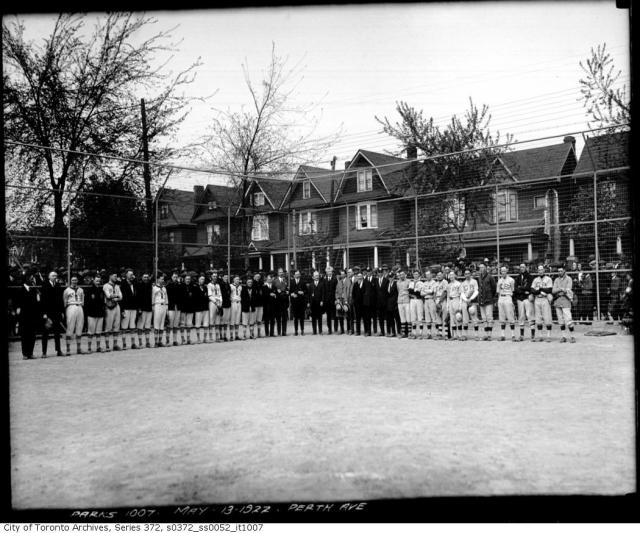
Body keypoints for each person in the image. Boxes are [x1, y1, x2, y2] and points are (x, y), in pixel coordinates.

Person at [16, 272, 42, 360]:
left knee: (32, 334)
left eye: (32, 278)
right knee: (24, 335)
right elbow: (17, 301)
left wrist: (38, 296)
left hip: (33, 315)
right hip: (24, 315)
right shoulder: (20, 289)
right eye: (30, 278)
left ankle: (30, 353)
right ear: (26, 279)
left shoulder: (34, 289)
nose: (32, 279)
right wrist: (18, 308)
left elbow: (37, 302)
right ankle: (25, 354)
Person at [41, 270, 65, 357]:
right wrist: (44, 313)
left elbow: (60, 300)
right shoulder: (45, 285)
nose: (55, 277)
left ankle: (58, 350)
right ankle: (44, 352)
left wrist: (62, 311)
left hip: (57, 312)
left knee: (57, 333)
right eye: (53, 276)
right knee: (45, 333)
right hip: (48, 313)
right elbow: (43, 300)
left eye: (56, 276)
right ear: (49, 277)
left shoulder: (58, 285)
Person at [530, 264, 553, 342]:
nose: (540, 271)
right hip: (537, 299)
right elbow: (532, 290)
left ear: (544, 270)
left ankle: (549, 336)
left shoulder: (548, 279)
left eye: (541, 269)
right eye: (539, 270)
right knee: (538, 318)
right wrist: (540, 290)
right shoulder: (535, 280)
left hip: (545, 299)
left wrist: (540, 289)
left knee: (547, 317)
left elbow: (549, 290)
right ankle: (540, 336)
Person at [553, 265, 576, 343]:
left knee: (568, 319)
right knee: (560, 320)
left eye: (561, 271)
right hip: (558, 301)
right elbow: (553, 290)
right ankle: (564, 336)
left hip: (566, 300)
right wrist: (561, 289)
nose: (560, 272)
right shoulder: (556, 279)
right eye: (558, 271)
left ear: (564, 271)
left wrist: (560, 290)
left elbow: (568, 289)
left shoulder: (569, 279)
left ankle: (572, 336)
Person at [514, 263, 535, 341]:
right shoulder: (518, 277)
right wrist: (523, 290)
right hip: (520, 299)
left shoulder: (530, 277)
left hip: (527, 298)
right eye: (521, 267)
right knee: (521, 316)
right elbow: (516, 288)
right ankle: (522, 335)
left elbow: (529, 287)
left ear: (526, 267)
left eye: (523, 267)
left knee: (530, 315)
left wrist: (521, 288)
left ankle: (533, 335)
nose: (522, 268)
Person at [85, 274, 106, 353]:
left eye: (99, 281)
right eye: (96, 280)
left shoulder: (101, 290)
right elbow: (87, 303)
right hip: (91, 314)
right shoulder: (89, 290)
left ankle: (98, 347)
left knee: (98, 332)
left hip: (100, 313)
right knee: (90, 332)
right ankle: (89, 348)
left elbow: (103, 302)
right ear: (93, 280)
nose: (98, 282)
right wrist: (88, 313)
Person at [103, 271, 123, 351]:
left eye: (116, 276)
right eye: (114, 276)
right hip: (109, 306)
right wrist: (116, 296)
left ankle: (115, 344)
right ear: (110, 276)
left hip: (116, 305)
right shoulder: (106, 286)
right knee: (108, 326)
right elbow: (108, 296)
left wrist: (115, 297)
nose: (116, 278)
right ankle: (107, 346)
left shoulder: (117, 286)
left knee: (116, 325)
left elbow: (121, 297)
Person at [495, 266, 516, 341]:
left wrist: (512, 301)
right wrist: (498, 300)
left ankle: (513, 335)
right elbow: (498, 291)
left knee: (510, 316)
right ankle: (502, 335)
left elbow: (513, 291)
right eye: (501, 271)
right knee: (502, 316)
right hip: (501, 297)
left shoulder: (511, 280)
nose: (503, 272)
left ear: (507, 271)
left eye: (504, 271)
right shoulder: (499, 281)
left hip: (508, 297)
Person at [477, 263, 497, 341]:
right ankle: (486, 334)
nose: (481, 269)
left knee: (489, 317)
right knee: (484, 318)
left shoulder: (490, 277)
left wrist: (491, 297)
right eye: (480, 267)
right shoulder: (479, 277)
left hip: (488, 300)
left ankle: (490, 335)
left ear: (486, 268)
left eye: (483, 267)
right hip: (481, 300)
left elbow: (494, 288)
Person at [120, 269, 138, 350]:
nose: (131, 276)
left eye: (132, 274)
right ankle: (124, 344)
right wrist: (122, 309)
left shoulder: (134, 283)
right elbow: (122, 298)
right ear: (126, 275)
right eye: (130, 274)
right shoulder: (123, 283)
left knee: (132, 326)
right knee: (124, 327)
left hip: (133, 307)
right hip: (126, 307)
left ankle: (133, 343)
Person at [135, 272, 153, 348]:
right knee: (140, 327)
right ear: (142, 278)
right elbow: (137, 297)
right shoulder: (139, 285)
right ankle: (140, 343)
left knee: (148, 326)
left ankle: (147, 342)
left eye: (147, 277)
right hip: (141, 309)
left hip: (149, 308)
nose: (146, 278)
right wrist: (138, 308)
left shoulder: (150, 285)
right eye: (144, 277)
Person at [460, 268, 479, 340]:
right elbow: (462, 293)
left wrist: (471, 299)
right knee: (465, 319)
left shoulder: (474, 281)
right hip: (465, 302)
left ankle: (476, 335)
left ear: (470, 274)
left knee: (474, 318)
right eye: (465, 274)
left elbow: (476, 291)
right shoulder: (463, 283)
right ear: (464, 275)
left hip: (472, 301)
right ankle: (464, 335)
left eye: (468, 273)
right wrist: (466, 299)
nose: (467, 275)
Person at [165, 271, 183, 346]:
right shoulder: (168, 285)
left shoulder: (179, 285)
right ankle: (167, 340)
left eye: (176, 277)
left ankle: (175, 340)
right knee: (169, 324)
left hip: (178, 307)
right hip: (171, 306)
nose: (175, 278)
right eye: (174, 277)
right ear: (171, 277)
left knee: (176, 324)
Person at [151, 275, 168, 347]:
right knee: (156, 323)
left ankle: (160, 341)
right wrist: (153, 306)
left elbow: (166, 298)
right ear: (157, 280)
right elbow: (152, 297)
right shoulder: (154, 288)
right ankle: (156, 342)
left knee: (162, 324)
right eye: (161, 279)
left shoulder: (164, 288)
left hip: (163, 306)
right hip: (157, 305)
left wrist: (167, 307)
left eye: (163, 279)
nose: (162, 280)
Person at [180, 274, 197, 344]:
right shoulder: (181, 286)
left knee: (189, 324)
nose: (188, 280)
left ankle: (188, 338)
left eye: (189, 279)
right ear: (184, 280)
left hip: (190, 308)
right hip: (183, 308)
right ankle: (182, 339)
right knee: (182, 324)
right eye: (187, 279)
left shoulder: (193, 287)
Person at [421, 270, 438, 339]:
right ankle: (429, 333)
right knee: (427, 317)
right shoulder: (424, 283)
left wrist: (425, 291)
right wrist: (427, 292)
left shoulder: (434, 282)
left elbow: (432, 291)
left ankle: (436, 333)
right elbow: (421, 293)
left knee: (433, 317)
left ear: (431, 275)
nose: (427, 276)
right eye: (426, 275)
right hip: (426, 300)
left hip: (431, 300)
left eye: (429, 275)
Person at [289, 270, 308, 335]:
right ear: (294, 275)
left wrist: (303, 292)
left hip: (301, 302)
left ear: (300, 275)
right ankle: (296, 331)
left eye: (298, 274)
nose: (297, 275)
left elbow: (306, 291)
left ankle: (302, 330)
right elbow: (290, 292)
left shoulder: (303, 282)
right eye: (296, 274)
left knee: (302, 317)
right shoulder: (291, 282)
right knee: (295, 317)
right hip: (294, 302)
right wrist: (292, 294)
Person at [446, 271, 463, 341]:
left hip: (456, 299)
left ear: (455, 276)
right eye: (450, 275)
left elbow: (461, 295)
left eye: (452, 275)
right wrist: (447, 305)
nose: (451, 276)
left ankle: (460, 335)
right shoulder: (448, 285)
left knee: (458, 317)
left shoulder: (458, 284)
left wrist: (460, 305)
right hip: (450, 300)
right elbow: (447, 296)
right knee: (452, 319)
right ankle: (454, 335)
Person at [408, 270, 425, 339]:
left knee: (420, 316)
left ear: (419, 275)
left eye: (417, 274)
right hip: (412, 300)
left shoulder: (421, 283)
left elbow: (419, 293)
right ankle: (414, 333)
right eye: (414, 274)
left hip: (419, 300)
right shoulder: (411, 282)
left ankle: (420, 333)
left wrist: (414, 291)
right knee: (413, 316)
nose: (415, 275)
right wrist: (415, 291)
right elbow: (409, 291)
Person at [308, 270, 326, 335]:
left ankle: (320, 331)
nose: (316, 277)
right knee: (313, 318)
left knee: (320, 318)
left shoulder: (321, 284)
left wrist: (322, 301)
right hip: (313, 304)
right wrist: (308, 302)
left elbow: (323, 293)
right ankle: (314, 331)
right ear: (313, 277)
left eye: (317, 275)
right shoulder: (311, 285)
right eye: (315, 275)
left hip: (319, 303)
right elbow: (309, 295)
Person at [207, 271, 223, 342]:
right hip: (212, 303)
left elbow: (220, 294)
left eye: (216, 276)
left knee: (217, 319)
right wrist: (216, 302)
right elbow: (210, 295)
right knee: (211, 319)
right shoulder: (209, 285)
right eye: (213, 276)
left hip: (218, 303)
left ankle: (217, 337)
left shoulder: (218, 285)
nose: (215, 278)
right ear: (211, 277)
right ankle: (210, 337)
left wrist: (220, 302)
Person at [373, 266, 389, 336]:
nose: (379, 274)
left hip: (385, 302)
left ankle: (388, 331)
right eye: (378, 272)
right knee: (380, 318)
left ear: (383, 273)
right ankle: (382, 331)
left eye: (381, 272)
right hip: (378, 303)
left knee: (387, 318)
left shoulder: (386, 280)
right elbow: (374, 292)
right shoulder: (375, 281)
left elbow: (388, 292)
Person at [194, 275, 210, 343]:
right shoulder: (195, 288)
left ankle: (205, 338)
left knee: (206, 324)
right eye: (201, 279)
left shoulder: (206, 288)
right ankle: (198, 339)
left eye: (203, 279)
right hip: (198, 308)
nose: (202, 280)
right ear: (198, 280)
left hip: (205, 308)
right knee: (198, 324)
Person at [274, 268, 290, 336]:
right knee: (278, 318)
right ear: (278, 273)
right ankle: (279, 331)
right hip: (277, 302)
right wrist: (278, 292)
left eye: (282, 272)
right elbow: (274, 290)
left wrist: (287, 292)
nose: (281, 273)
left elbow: (288, 290)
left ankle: (284, 331)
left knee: (284, 318)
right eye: (280, 272)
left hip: (284, 302)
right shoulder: (275, 281)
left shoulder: (285, 280)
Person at [395, 270, 411, 339]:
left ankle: (409, 333)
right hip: (400, 301)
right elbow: (398, 291)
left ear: (405, 274)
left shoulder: (409, 281)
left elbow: (409, 291)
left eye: (403, 274)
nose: (401, 276)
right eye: (400, 274)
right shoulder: (398, 282)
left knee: (408, 316)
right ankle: (404, 333)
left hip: (406, 300)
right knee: (402, 317)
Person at [323, 266, 338, 334]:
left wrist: (336, 299)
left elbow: (336, 290)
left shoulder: (335, 279)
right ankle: (329, 329)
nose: (329, 273)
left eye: (330, 271)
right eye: (328, 272)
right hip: (327, 300)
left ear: (332, 272)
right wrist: (324, 300)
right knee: (328, 315)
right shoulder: (324, 280)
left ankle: (335, 328)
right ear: (326, 273)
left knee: (335, 315)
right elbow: (324, 291)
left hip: (333, 300)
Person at [434, 271, 448, 340]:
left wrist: (439, 301)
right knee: (438, 317)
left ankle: (446, 334)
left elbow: (445, 292)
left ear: (443, 275)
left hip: (443, 300)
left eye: (440, 275)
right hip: (437, 300)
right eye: (438, 275)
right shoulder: (436, 283)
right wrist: (435, 301)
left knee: (444, 317)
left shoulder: (445, 282)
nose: (439, 276)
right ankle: (439, 334)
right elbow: (434, 293)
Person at [385, 270, 399, 337]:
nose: (390, 278)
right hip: (388, 304)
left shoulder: (396, 284)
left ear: (394, 277)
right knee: (390, 319)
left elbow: (397, 294)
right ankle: (393, 332)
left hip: (395, 304)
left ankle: (399, 332)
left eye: (391, 277)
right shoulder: (387, 284)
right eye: (389, 277)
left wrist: (396, 303)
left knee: (397, 319)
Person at [333, 269, 347, 335]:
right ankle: (342, 330)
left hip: (346, 300)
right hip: (340, 301)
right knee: (340, 316)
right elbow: (336, 292)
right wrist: (337, 298)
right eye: (341, 274)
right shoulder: (339, 282)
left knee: (348, 316)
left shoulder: (348, 281)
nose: (342, 275)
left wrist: (346, 298)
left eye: (343, 274)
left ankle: (349, 329)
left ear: (345, 274)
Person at [219, 273, 232, 341]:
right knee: (222, 321)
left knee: (226, 321)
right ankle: (221, 335)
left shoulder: (228, 285)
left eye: (227, 277)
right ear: (222, 278)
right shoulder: (220, 285)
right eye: (225, 277)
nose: (226, 278)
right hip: (223, 304)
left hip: (228, 304)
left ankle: (225, 335)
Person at [229, 276, 243, 340]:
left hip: (239, 303)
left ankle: (237, 335)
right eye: (236, 279)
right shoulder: (230, 286)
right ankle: (231, 336)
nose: (238, 280)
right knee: (232, 319)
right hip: (233, 303)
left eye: (238, 279)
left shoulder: (240, 286)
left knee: (237, 319)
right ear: (233, 280)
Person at [253, 273, 265, 337]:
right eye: (256, 276)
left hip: (261, 303)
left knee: (259, 319)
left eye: (259, 276)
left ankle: (259, 333)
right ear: (254, 277)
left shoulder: (261, 283)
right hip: (255, 304)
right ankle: (253, 333)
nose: (258, 277)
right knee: (254, 319)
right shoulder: (252, 283)